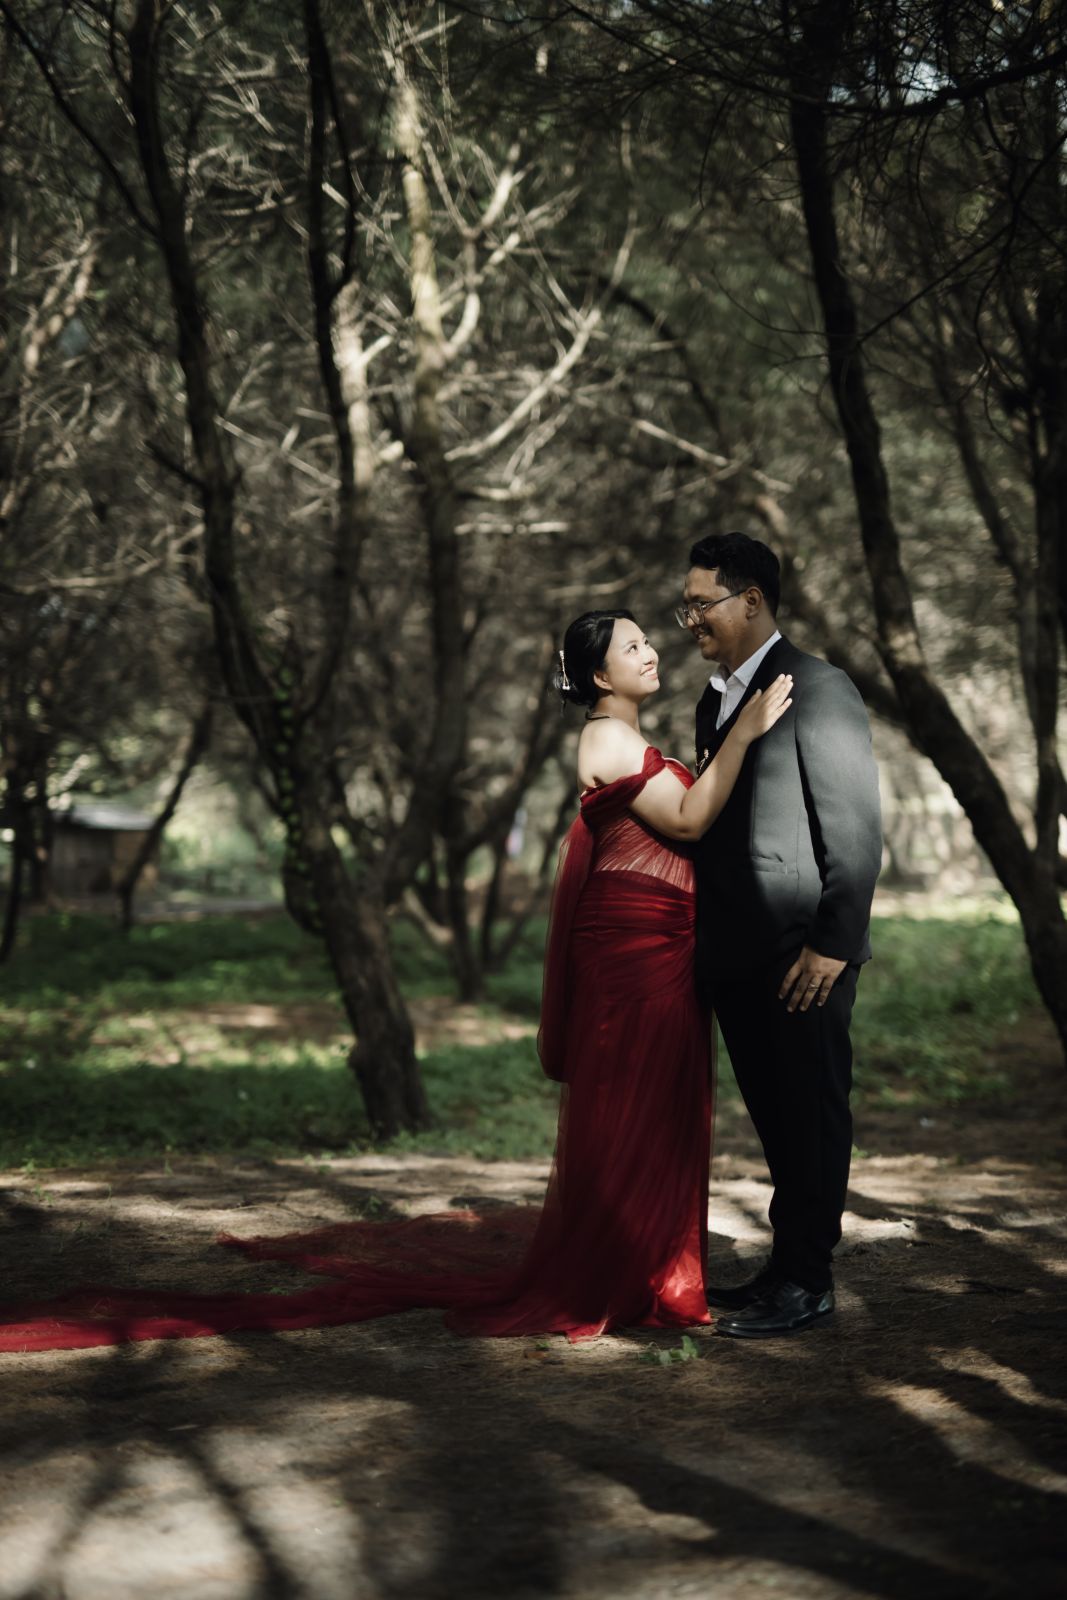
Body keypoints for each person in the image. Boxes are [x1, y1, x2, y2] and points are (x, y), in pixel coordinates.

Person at [0, 610, 790, 1353]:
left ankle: (651, 1268)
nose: (650, 652)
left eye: (647, 641)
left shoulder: (628, 736)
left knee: (659, 1102)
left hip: (659, 936)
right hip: (630, 947)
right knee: (633, 1104)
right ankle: (625, 1276)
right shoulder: (607, 739)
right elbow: (687, 820)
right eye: (631, 647)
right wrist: (745, 733)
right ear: (597, 676)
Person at [681, 532, 882, 1339]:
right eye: (686, 606)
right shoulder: (713, 701)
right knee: (774, 1120)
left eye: (700, 603)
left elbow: (854, 829)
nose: (690, 619)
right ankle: (782, 1267)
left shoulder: (819, 687)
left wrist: (833, 943)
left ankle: (808, 1280)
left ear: (751, 600)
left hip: (803, 955)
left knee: (810, 1115)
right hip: (735, 955)